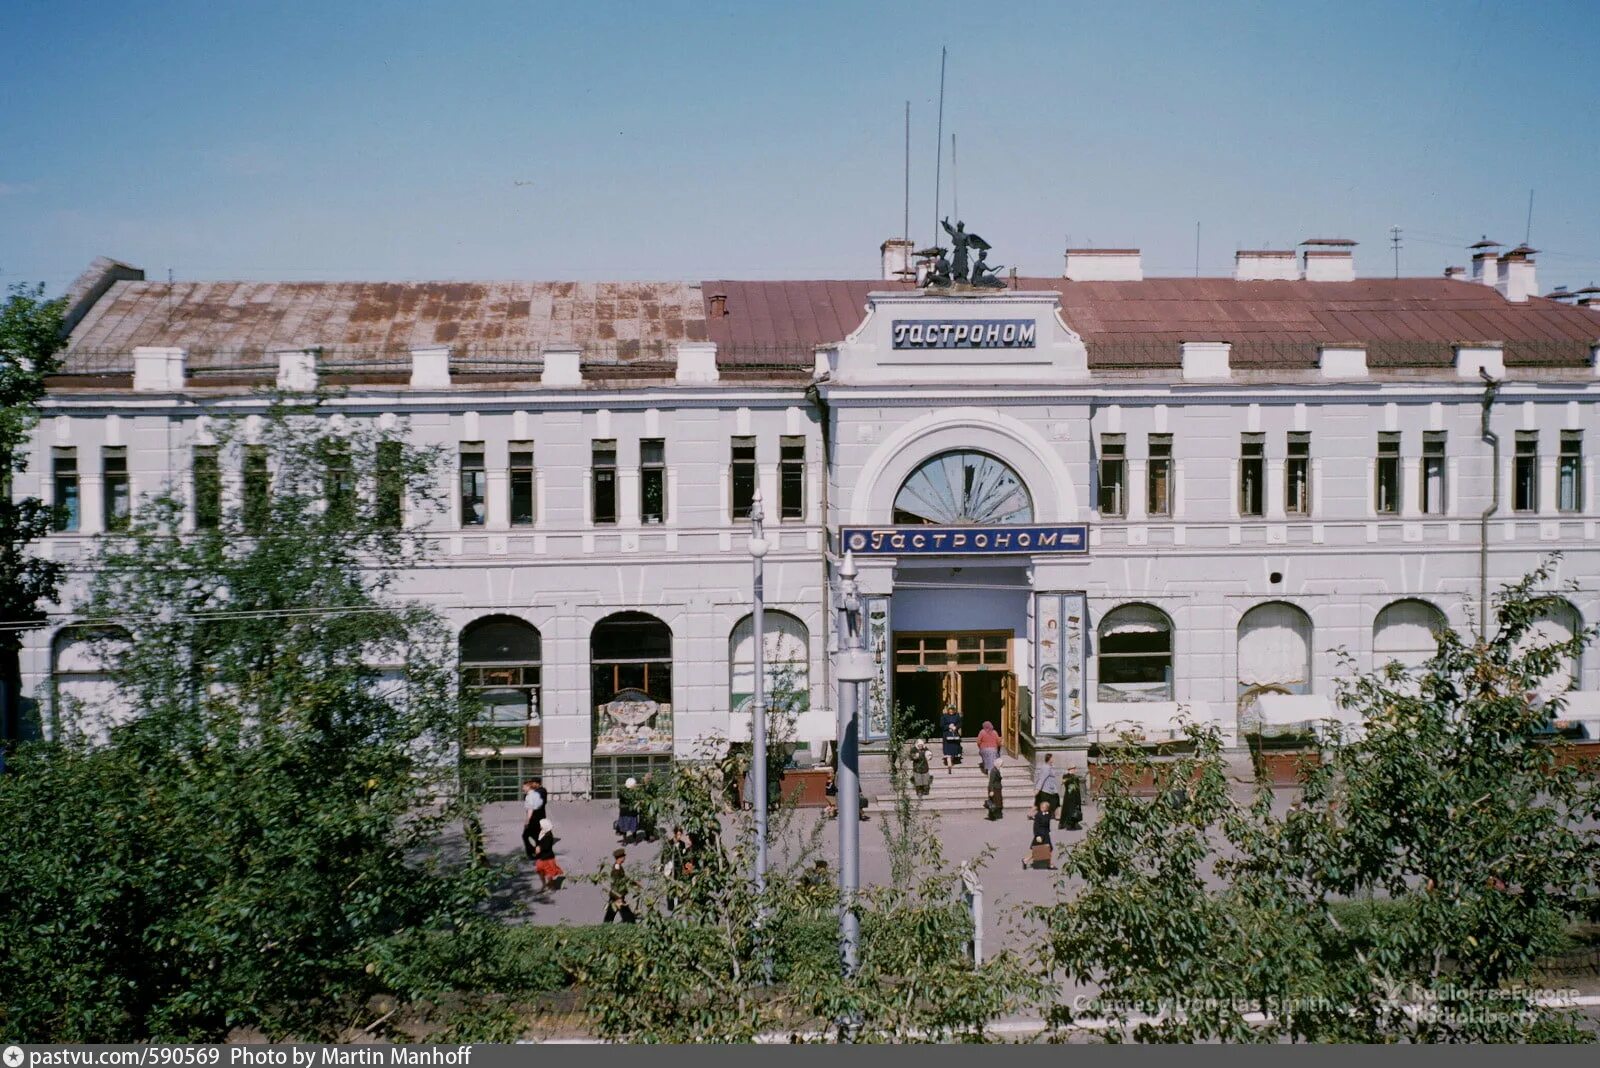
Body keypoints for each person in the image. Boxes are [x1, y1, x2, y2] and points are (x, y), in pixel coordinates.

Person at [603, 847, 636, 924]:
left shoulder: (619, 867)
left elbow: (623, 878)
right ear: (620, 858)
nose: (624, 858)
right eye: (623, 857)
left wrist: (634, 882)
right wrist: (618, 897)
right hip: (617, 895)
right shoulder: (617, 869)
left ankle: (605, 927)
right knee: (628, 917)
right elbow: (615, 883)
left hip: (617, 896)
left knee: (610, 915)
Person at [532, 818, 563, 892]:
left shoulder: (548, 837)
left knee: (549, 873)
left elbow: (545, 847)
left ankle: (551, 885)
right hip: (542, 857)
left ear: (545, 827)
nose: (539, 826)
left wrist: (538, 849)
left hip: (547, 858)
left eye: (541, 825)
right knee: (540, 871)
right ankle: (545, 885)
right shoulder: (543, 833)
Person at [1024, 799, 1055, 870]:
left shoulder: (1048, 814)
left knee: (1049, 848)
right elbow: (1036, 827)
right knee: (1036, 850)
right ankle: (1025, 860)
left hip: (1046, 834)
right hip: (1040, 835)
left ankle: (1049, 864)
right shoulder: (1038, 815)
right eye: (1042, 807)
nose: (1043, 809)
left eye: (1045, 807)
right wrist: (1037, 835)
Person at [520, 778, 545, 859]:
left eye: (523, 787)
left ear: (528, 787)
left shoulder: (530, 795)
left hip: (533, 819)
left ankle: (532, 852)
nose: (522, 788)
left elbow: (530, 809)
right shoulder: (535, 794)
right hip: (537, 818)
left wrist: (527, 821)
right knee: (535, 836)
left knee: (525, 836)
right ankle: (536, 852)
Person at [1033, 753, 1061, 820]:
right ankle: (1057, 816)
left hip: (1050, 789)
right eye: (1052, 758)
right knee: (1055, 801)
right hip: (1047, 789)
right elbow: (1042, 778)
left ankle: (1057, 815)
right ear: (1049, 759)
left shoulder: (1049, 766)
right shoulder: (1046, 768)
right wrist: (1037, 788)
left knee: (1054, 802)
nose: (1053, 759)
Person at [614, 776, 641, 843]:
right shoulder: (635, 793)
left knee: (624, 827)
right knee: (633, 827)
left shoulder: (622, 792)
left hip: (624, 812)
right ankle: (634, 840)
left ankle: (625, 841)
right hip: (632, 812)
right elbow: (637, 801)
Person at [1059, 763, 1084, 831]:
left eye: (1074, 768)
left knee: (1076, 809)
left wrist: (1079, 797)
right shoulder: (1066, 776)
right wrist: (1070, 777)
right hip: (1069, 796)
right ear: (1069, 769)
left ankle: (1075, 823)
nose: (1074, 770)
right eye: (1073, 768)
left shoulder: (1075, 777)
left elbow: (1077, 787)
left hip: (1076, 795)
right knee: (1069, 809)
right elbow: (1065, 783)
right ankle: (1068, 824)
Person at [940, 707, 963, 772]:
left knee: (954, 748)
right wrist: (948, 726)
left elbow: (960, 723)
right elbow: (941, 725)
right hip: (946, 734)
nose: (951, 711)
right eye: (950, 709)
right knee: (947, 748)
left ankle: (951, 761)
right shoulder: (944, 716)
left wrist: (956, 727)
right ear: (948, 710)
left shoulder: (957, 715)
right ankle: (949, 762)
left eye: (952, 709)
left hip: (954, 734)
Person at [985, 755, 1005, 820]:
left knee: (998, 802)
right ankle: (993, 816)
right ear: (998, 764)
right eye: (1002, 764)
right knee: (995, 802)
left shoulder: (997, 770)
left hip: (998, 788)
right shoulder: (993, 771)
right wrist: (991, 790)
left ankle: (997, 815)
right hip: (995, 789)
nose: (1002, 765)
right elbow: (991, 782)